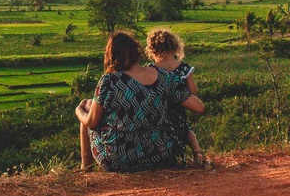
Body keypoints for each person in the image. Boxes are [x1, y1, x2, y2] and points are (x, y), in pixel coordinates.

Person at [75, 31, 205, 172]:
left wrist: (79, 110)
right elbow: (199, 107)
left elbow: (92, 122)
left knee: (88, 109)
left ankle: (85, 169)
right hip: (160, 155)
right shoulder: (164, 77)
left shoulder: (109, 81)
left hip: (119, 159)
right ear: (137, 51)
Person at [146, 28, 207, 166]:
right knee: (187, 131)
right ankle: (197, 152)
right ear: (175, 48)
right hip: (179, 113)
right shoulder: (184, 69)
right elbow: (193, 91)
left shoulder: (151, 69)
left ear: (152, 50)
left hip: (158, 115)